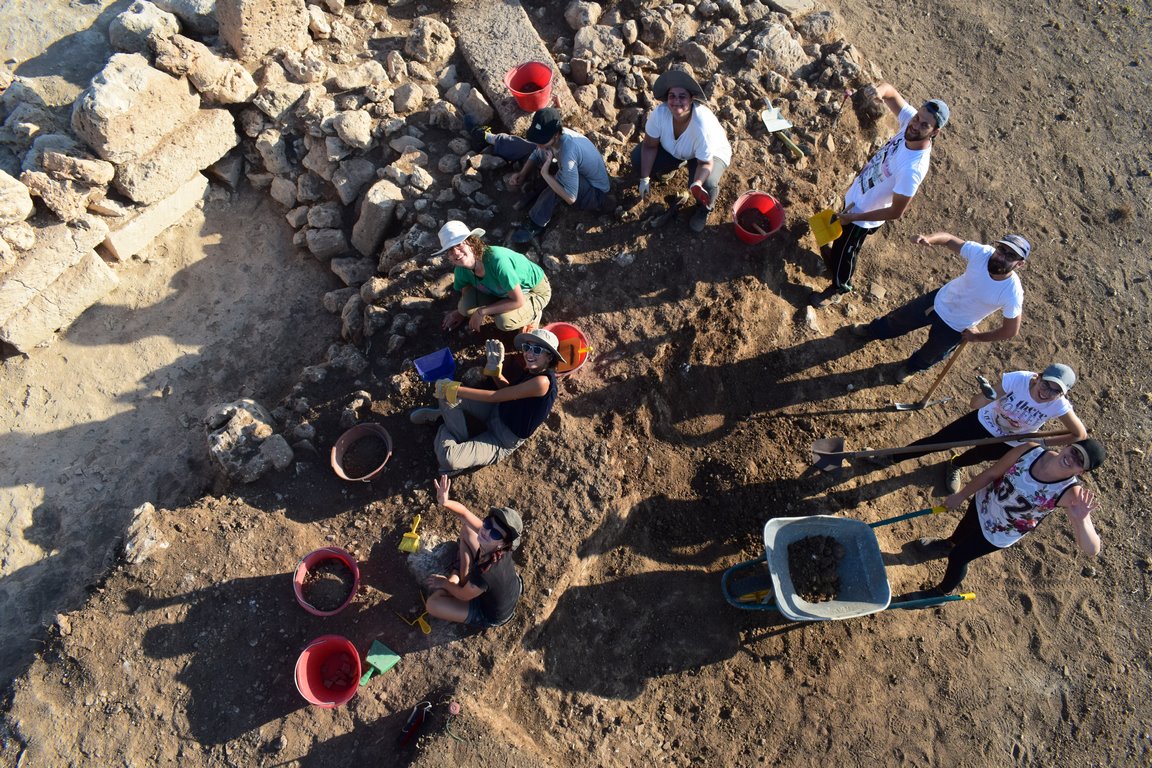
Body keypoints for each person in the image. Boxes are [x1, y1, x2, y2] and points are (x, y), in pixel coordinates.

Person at [910, 438, 1105, 597]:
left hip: (1000, 531)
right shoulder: (1030, 451)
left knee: (959, 556)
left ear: (1082, 472)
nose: (1072, 459)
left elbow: (1092, 549)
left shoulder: (1071, 494)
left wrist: (1080, 519)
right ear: (1068, 446)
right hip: (983, 504)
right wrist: (961, 495)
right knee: (961, 532)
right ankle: (948, 544)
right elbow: (993, 473)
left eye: (1080, 461)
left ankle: (941, 593)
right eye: (1074, 451)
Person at [811, 84, 949, 308]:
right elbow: (891, 93)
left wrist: (853, 219)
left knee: (845, 254)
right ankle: (834, 257)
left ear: (935, 132)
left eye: (925, 125)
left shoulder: (913, 167)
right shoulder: (909, 123)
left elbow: (896, 212)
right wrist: (877, 91)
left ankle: (839, 286)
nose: (916, 125)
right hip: (856, 198)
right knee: (838, 241)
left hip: (862, 218)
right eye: (917, 118)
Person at [850, 230, 1031, 383]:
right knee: (897, 320)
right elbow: (950, 240)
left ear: (1020, 264)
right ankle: (873, 331)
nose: (1001, 257)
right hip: (937, 302)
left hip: (956, 327)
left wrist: (978, 337)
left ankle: (911, 368)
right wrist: (929, 239)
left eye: (1010, 256)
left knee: (930, 354)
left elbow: (1010, 331)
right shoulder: (982, 253)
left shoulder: (1012, 293)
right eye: (1001, 249)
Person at [879, 364, 1087, 493]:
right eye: (1047, 384)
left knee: (977, 457)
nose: (1047, 392)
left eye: (1056, 391)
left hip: (1009, 440)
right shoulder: (1019, 379)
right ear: (1038, 377)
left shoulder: (1058, 405)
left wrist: (1039, 443)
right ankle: (892, 457)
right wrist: (988, 397)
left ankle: (955, 465)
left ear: (1062, 394)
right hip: (984, 420)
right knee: (939, 442)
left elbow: (1079, 435)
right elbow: (974, 404)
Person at [410, 328, 563, 474]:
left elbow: (494, 396)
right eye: (527, 347)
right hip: (497, 409)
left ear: (549, 357)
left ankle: (443, 424)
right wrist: (496, 371)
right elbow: (509, 393)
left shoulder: (542, 383)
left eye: (537, 350)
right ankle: (452, 428)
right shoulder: (533, 370)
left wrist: (455, 389)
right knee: (447, 394)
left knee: (448, 459)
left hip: (502, 438)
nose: (529, 352)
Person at [468, 108, 610, 243]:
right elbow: (537, 151)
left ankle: (535, 222)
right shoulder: (554, 137)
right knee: (530, 147)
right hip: (569, 170)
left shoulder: (568, 153)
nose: (539, 144)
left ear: (555, 135)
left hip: (594, 193)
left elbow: (570, 197)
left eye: (542, 141)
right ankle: (488, 138)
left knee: (558, 180)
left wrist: (546, 174)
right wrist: (522, 173)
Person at [632, 68, 732, 232]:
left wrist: (697, 184)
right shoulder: (660, 114)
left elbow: (705, 163)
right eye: (672, 96)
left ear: (692, 99)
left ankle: (703, 210)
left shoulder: (701, 125)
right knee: (637, 159)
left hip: (709, 155)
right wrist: (644, 178)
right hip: (679, 149)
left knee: (707, 184)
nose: (676, 101)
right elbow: (649, 146)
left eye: (682, 96)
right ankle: (672, 166)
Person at [424, 476, 523, 628]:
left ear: (502, 544)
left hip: (490, 613)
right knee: (467, 529)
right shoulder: (502, 547)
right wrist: (445, 502)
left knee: (432, 604)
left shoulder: (486, 573)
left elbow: (463, 596)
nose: (487, 532)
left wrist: (443, 582)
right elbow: (464, 514)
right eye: (488, 523)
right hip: (507, 590)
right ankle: (459, 574)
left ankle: (457, 575)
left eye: (495, 534)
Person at [434, 220, 551, 334]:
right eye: (450, 250)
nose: (455, 252)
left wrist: (481, 312)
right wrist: (461, 313)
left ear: (472, 242)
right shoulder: (461, 269)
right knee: (464, 308)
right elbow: (466, 288)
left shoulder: (497, 261)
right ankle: (500, 303)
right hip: (500, 292)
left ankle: (532, 315)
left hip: (532, 291)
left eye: (459, 244)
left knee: (503, 321)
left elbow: (517, 300)